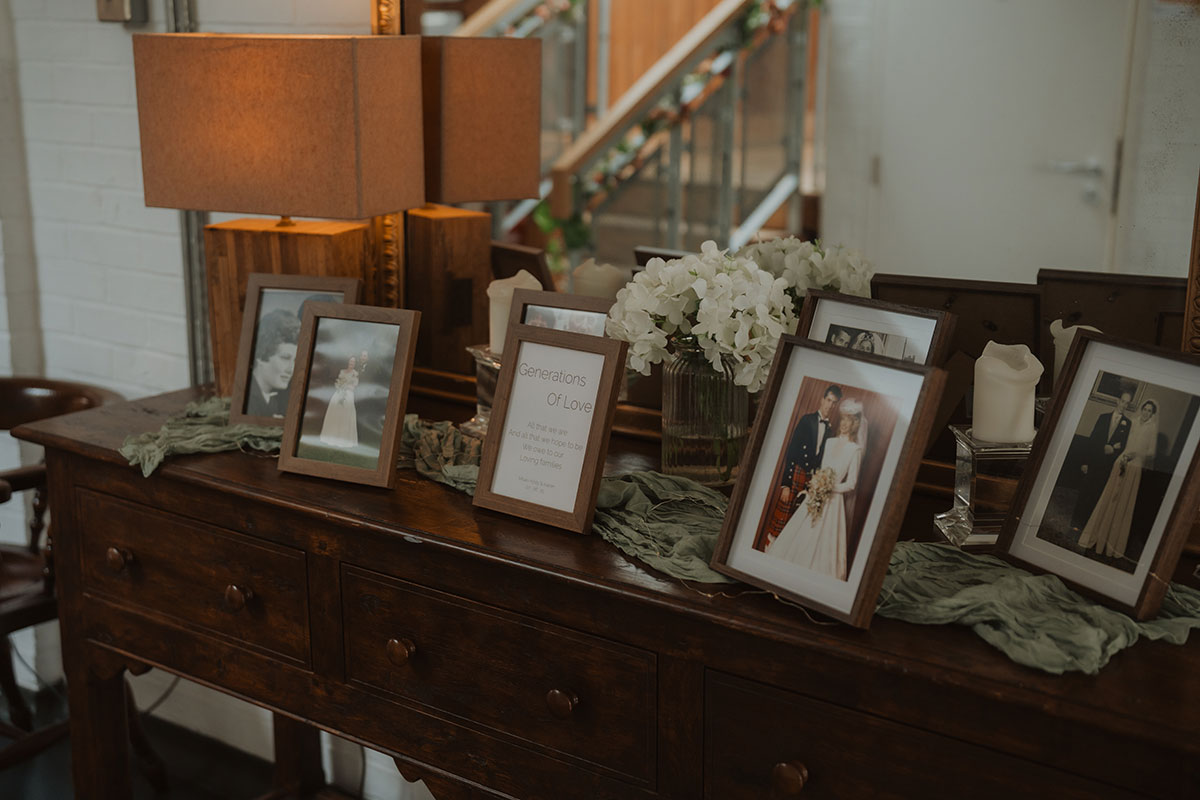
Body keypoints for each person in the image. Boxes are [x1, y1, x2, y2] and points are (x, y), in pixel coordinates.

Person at [767, 398, 865, 580]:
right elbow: (820, 469)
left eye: (849, 422)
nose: (844, 425)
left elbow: (851, 484)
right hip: (815, 495)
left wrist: (828, 486)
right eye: (843, 420)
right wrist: (817, 484)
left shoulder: (855, 450)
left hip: (833, 502)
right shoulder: (830, 442)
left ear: (854, 425)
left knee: (823, 539)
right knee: (801, 531)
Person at [1077, 399, 1159, 559]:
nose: (1146, 413)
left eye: (1150, 411)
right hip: (1120, 461)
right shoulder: (1131, 423)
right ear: (1141, 409)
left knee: (1123, 501)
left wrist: (1136, 454)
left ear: (1152, 414)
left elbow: (1151, 452)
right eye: (1145, 409)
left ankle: (1112, 542)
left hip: (1135, 465)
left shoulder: (1152, 428)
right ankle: (1096, 535)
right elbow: (1121, 442)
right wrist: (1124, 453)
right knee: (1109, 497)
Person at [762, 385, 842, 544]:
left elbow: (821, 458)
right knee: (780, 520)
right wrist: (786, 484)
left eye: (834, 403)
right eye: (828, 400)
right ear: (822, 399)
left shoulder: (829, 429)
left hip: (810, 478)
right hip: (796, 473)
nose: (829, 405)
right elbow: (791, 452)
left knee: (796, 519)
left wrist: (815, 483)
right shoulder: (807, 420)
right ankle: (768, 550)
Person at [1071, 391, 1132, 532]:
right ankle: (1074, 521)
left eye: (1127, 403)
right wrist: (1085, 462)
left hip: (1107, 466)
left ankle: (1086, 524)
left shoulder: (1128, 424)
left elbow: (1124, 446)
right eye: (1122, 401)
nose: (1124, 405)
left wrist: (1114, 449)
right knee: (1084, 491)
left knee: (1096, 494)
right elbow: (1092, 440)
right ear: (1118, 401)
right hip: (1093, 461)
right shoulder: (1103, 418)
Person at [247, 310, 301, 419]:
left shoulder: (280, 399)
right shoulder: (246, 399)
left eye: (295, 360)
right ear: (261, 356)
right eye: (285, 358)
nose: (291, 369)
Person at [319, 354, 365, 448]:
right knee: (335, 413)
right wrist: (340, 386)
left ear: (355, 363)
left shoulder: (355, 373)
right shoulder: (342, 371)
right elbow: (338, 382)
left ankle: (344, 437)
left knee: (345, 414)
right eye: (350, 361)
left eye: (353, 362)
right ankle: (331, 435)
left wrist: (345, 387)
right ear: (348, 362)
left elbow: (354, 386)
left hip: (348, 395)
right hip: (339, 393)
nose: (351, 363)